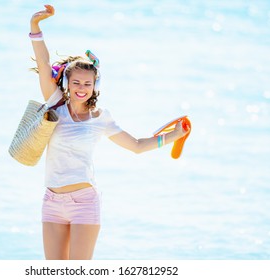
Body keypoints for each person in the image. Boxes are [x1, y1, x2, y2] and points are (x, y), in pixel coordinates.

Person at [29, 4, 190, 260]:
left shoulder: (101, 118)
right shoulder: (55, 105)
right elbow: (43, 62)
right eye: (76, 82)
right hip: (52, 201)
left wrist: (173, 136)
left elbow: (136, 145)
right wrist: (35, 27)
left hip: (84, 202)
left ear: (95, 86)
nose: (82, 87)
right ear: (66, 84)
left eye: (87, 83)